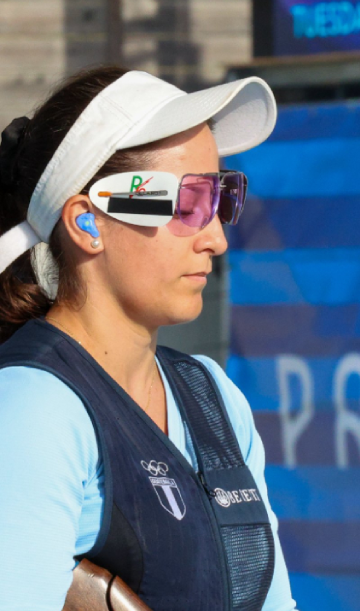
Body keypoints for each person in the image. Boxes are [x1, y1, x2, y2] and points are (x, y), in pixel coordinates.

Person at [0, 66, 298, 610]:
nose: (215, 239)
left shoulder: (212, 395)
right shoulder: (32, 406)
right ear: (87, 223)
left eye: (221, 198)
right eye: (187, 204)